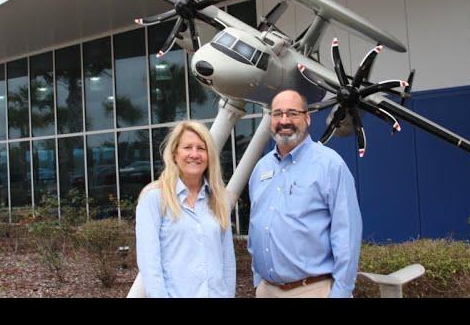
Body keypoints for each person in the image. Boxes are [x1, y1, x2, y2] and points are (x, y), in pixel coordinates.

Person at [248, 89, 363, 298]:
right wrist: (258, 282)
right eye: (277, 114)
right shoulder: (260, 169)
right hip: (266, 290)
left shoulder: (330, 165)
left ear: (307, 118)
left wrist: (341, 292)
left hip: (312, 290)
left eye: (292, 113)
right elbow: (256, 224)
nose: (284, 120)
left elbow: (347, 235)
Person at [135, 120, 236, 298]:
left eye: (201, 148)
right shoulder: (153, 198)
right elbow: (150, 264)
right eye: (187, 147)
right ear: (174, 154)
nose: (194, 154)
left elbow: (227, 261)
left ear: (209, 155)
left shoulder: (220, 199)